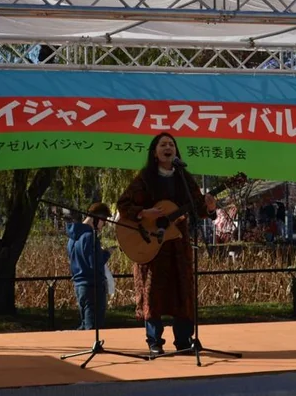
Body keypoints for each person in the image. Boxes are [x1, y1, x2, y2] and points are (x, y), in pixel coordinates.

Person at [116, 132, 217, 355]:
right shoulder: (144, 178)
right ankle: (154, 342)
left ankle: (183, 341)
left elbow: (198, 208)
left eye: (171, 144)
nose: (168, 147)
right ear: (155, 152)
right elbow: (123, 205)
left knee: (183, 292)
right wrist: (144, 213)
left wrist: (209, 208)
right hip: (151, 244)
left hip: (178, 245)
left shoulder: (184, 177)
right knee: (152, 293)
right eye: (163, 144)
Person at [67, 202, 112, 330]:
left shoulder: (72, 238)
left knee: (85, 323)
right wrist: (106, 253)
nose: (104, 225)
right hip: (93, 286)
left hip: (79, 285)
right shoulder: (90, 237)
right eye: (104, 221)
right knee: (93, 327)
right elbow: (95, 264)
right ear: (97, 218)